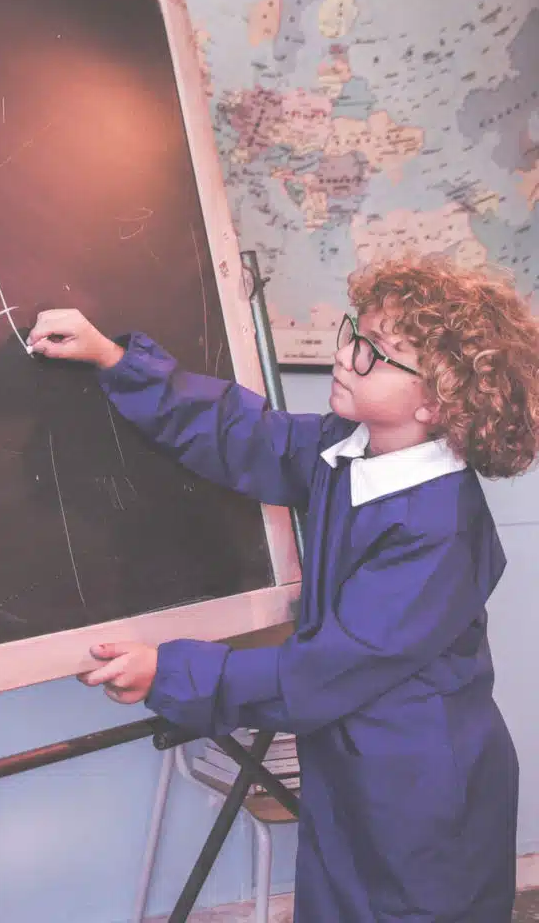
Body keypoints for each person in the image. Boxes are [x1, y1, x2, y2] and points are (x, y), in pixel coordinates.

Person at [26, 256, 539, 921]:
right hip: (358, 765)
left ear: (436, 401)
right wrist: (117, 360)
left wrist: (168, 672)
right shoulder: (349, 449)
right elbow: (242, 435)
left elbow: (322, 671)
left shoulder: (438, 530)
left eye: (374, 353)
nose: (345, 357)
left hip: (418, 788)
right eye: (354, 333)